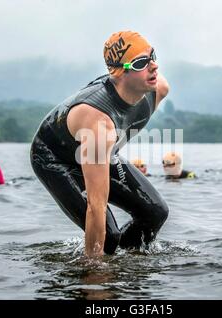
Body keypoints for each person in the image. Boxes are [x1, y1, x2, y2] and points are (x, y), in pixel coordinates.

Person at [30, 31, 170, 257]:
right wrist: (95, 278)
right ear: (120, 73)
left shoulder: (158, 89)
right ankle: (90, 268)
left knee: (155, 213)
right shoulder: (99, 124)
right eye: (142, 62)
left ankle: (130, 264)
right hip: (54, 159)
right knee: (108, 238)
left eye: (152, 55)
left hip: (98, 150)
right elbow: (96, 206)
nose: (154, 66)